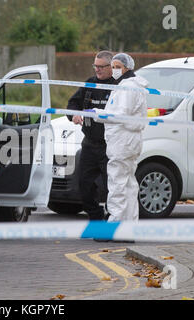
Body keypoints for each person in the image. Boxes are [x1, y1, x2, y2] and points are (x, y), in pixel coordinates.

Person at [66, 51, 115, 220]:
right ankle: (96, 218)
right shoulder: (90, 83)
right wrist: (74, 114)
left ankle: (112, 220)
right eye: (96, 66)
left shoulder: (118, 85)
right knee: (84, 186)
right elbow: (73, 103)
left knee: (113, 188)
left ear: (111, 67)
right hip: (89, 144)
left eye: (102, 67)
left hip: (110, 146)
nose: (98, 70)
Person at [103, 53, 149, 222]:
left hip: (123, 141)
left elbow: (121, 115)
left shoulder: (128, 87)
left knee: (118, 184)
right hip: (127, 140)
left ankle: (115, 225)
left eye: (118, 67)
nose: (114, 70)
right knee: (128, 184)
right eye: (113, 67)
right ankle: (128, 225)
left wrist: (98, 114)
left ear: (127, 68)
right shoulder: (127, 85)